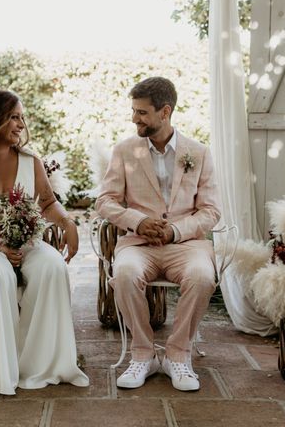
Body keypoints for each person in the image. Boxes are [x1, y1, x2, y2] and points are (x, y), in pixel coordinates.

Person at [0, 88, 89, 403]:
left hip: (23, 241)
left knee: (51, 265)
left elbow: (48, 202)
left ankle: (40, 365)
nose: (21, 124)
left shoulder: (29, 159)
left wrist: (67, 223)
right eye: (13, 117)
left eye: (22, 117)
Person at [95, 77, 221, 391]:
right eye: (134, 111)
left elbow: (211, 210)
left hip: (187, 245)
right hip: (139, 244)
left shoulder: (199, 152)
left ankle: (177, 356)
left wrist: (176, 231)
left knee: (203, 276)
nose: (134, 118)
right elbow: (105, 201)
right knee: (124, 274)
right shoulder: (124, 150)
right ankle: (143, 354)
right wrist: (137, 222)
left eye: (141, 112)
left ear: (165, 112)